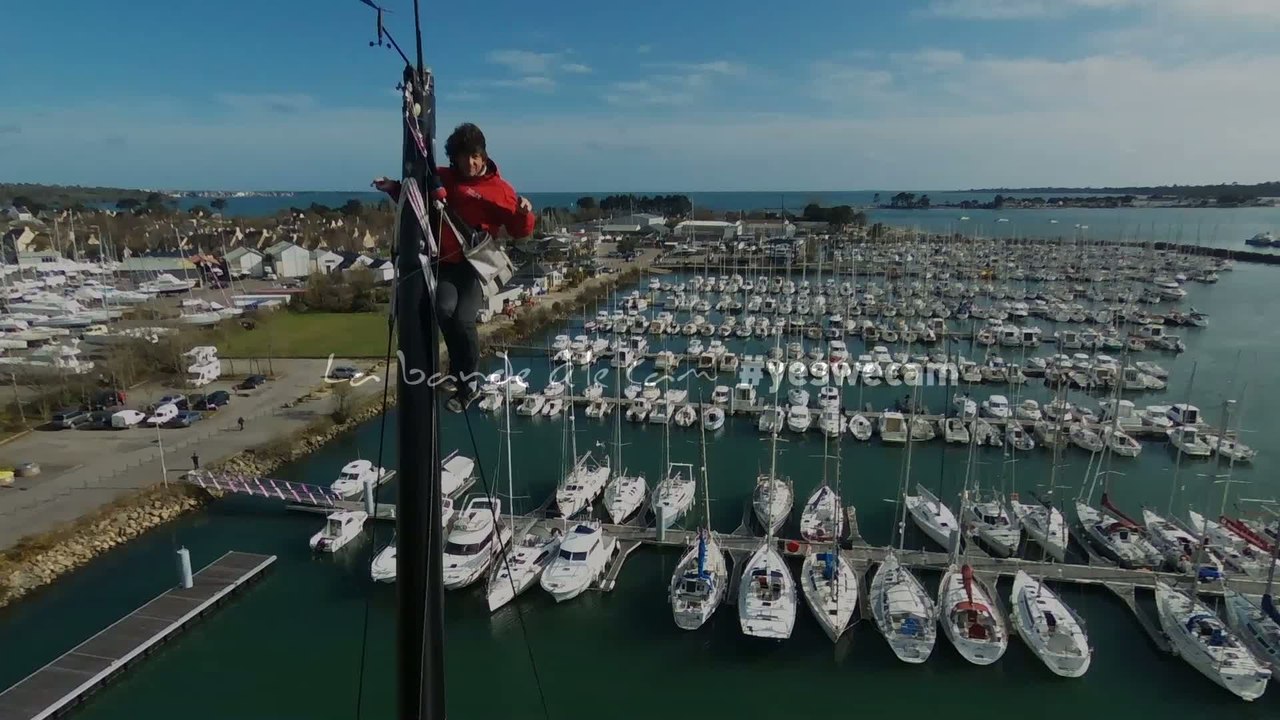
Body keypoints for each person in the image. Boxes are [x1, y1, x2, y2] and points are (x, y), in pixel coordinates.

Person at [374, 122, 535, 413]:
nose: (470, 163)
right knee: (443, 309)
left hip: (474, 265)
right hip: (445, 262)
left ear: (484, 156)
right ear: (454, 159)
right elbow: (417, 202)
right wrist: (393, 188)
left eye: (475, 156)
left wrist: (525, 214)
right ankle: (456, 371)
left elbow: (519, 230)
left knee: (463, 319)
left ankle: (468, 383)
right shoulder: (443, 179)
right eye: (464, 157)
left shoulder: (500, 191)